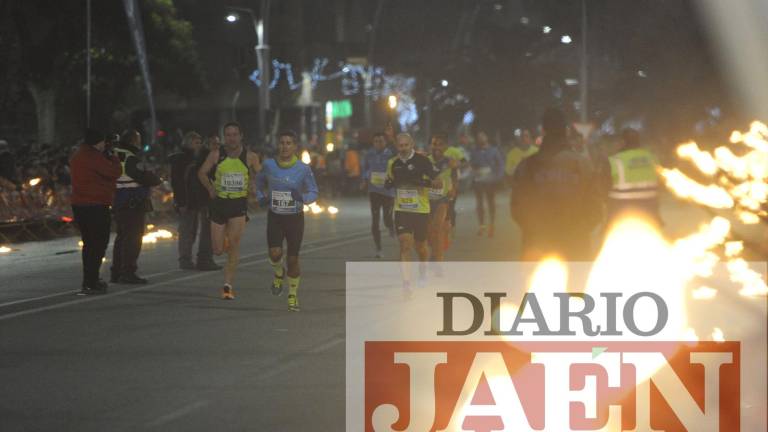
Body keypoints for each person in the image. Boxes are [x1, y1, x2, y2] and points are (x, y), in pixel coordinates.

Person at [510, 108, 603, 261]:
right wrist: (579, 230)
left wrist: (534, 230)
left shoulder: (527, 166)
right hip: (575, 246)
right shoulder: (583, 164)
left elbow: (517, 208)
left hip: (537, 245)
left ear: (543, 130)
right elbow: (596, 209)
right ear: (566, 131)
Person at [256, 130, 319, 312]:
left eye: (288, 143)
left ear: (295, 146)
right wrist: (261, 196)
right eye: (282, 142)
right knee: (275, 254)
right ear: (278, 145)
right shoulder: (268, 165)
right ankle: (278, 273)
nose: (284, 146)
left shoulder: (303, 169)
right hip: (275, 216)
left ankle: (292, 295)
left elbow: (314, 191)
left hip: (295, 219)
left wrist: (303, 197)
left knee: (292, 259)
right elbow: (258, 182)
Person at [198, 122, 261, 300]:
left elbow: (260, 175)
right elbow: (201, 173)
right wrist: (210, 189)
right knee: (218, 250)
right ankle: (224, 243)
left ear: (241, 136)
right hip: (218, 205)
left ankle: (227, 286)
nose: (231, 138)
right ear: (225, 137)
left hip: (238, 205)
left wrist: (255, 187)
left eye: (235, 134)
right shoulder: (216, 154)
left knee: (234, 245)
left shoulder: (250, 156)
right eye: (228, 135)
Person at [385, 133, 441, 295]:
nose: (402, 149)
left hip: (421, 211)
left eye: (405, 145)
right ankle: (406, 284)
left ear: (412, 145)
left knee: (421, 247)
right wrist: (389, 183)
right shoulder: (392, 163)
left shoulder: (423, 161)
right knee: (405, 243)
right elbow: (389, 181)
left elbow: (439, 182)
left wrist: (424, 183)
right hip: (402, 210)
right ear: (397, 146)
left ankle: (423, 270)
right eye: (400, 146)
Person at [69, 128, 121, 295]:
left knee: (89, 244)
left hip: (80, 204)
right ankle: (91, 281)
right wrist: (113, 156)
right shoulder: (93, 156)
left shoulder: (78, 155)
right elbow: (114, 172)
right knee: (98, 244)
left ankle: (89, 279)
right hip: (95, 204)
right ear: (99, 142)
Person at [111, 130, 162, 284]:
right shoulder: (130, 158)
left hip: (119, 201)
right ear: (133, 141)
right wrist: (156, 178)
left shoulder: (115, 154)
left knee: (121, 238)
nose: (140, 143)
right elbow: (143, 176)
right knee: (133, 239)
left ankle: (117, 272)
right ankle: (128, 272)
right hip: (132, 202)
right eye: (139, 140)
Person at [169, 131, 220, 271]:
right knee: (187, 231)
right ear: (187, 143)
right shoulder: (181, 160)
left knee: (207, 230)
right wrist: (181, 202)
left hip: (203, 199)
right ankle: (185, 260)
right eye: (195, 142)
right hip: (188, 200)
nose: (198, 145)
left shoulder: (204, 157)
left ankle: (204, 259)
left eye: (199, 142)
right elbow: (177, 182)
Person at [606, 128, 660, 225]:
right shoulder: (652, 158)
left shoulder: (615, 160)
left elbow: (604, 186)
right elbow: (661, 181)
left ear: (622, 142)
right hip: (650, 207)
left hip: (622, 208)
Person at [427, 134, 459, 265]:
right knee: (429, 232)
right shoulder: (425, 161)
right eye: (434, 144)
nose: (437, 147)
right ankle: (435, 253)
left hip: (442, 199)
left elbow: (455, 178)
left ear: (445, 147)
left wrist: (453, 189)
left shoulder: (450, 162)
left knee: (437, 228)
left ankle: (438, 262)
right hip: (426, 200)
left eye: (440, 144)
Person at [363, 132, 395, 258]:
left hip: (388, 192)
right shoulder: (369, 154)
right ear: (373, 142)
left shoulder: (391, 154)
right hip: (374, 191)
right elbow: (365, 168)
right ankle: (379, 248)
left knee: (387, 218)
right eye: (376, 141)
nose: (378, 143)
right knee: (375, 220)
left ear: (385, 142)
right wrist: (365, 180)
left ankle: (390, 226)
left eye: (381, 141)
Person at [469, 131, 505, 237]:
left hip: (490, 180)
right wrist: (474, 173)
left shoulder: (494, 150)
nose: (481, 139)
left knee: (491, 203)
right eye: (479, 137)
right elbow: (471, 164)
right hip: (478, 180)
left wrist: (497, 177)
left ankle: (492, 226)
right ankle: (481, 226)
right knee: (479, 204)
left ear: (486, 138)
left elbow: (500, 164)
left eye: (482, 137)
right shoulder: (474, 151)